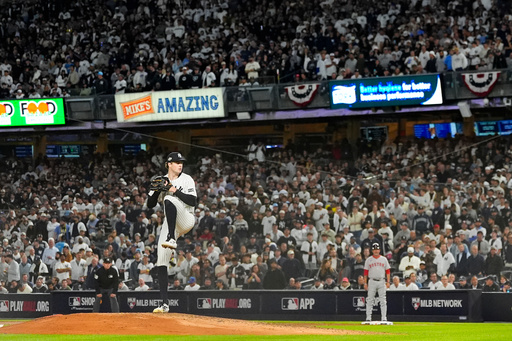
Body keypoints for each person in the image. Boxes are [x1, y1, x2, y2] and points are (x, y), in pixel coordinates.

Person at [148, 152, 197, 313]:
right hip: (170, 224)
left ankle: (171, 238)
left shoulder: (187, 179)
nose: (180, 164)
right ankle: (164, 304)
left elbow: (193, 201)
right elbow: (150, 204)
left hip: (186, 218)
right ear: (169, 164)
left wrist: (173, 189)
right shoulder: (161, 179)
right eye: (176, 162)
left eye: (181, 162)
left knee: (169, 199)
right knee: (161, 261)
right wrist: (156, 190)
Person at [363, 242, 390, 322]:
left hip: (381, 280)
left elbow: (388, 271)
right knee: (370, 300)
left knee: (383, 300)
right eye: (374, 249)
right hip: (372, 280)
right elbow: (365, 273)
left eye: (377, 249)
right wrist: (365, 283)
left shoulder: (384, 259)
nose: (376, 251)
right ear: (372, 250)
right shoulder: (368, 260)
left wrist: (388, 282)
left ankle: (384, 318)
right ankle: (368, 318)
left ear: (379, 250)